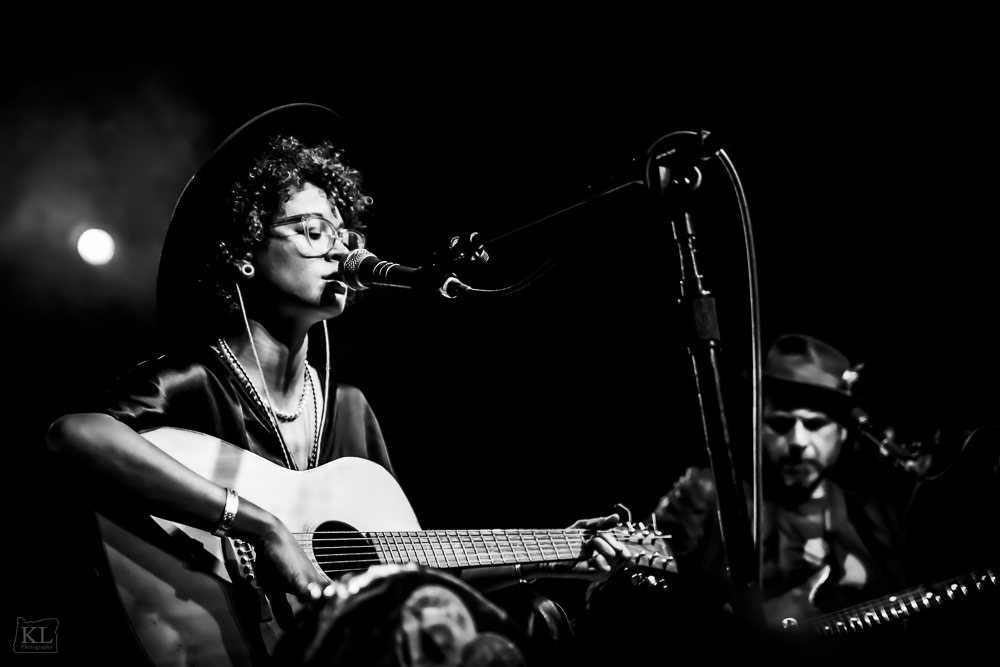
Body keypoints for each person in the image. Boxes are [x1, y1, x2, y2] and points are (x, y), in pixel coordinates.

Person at [43, 103, 629, 665]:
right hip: (196, 633)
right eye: (313, 231)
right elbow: (76, 435)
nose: (343, 249)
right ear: (246, 251)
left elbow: (405, 568)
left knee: (533, 617)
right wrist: (259, 525)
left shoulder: (349, 411)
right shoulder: (198, 381)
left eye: (345, 232)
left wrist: (555, 553)